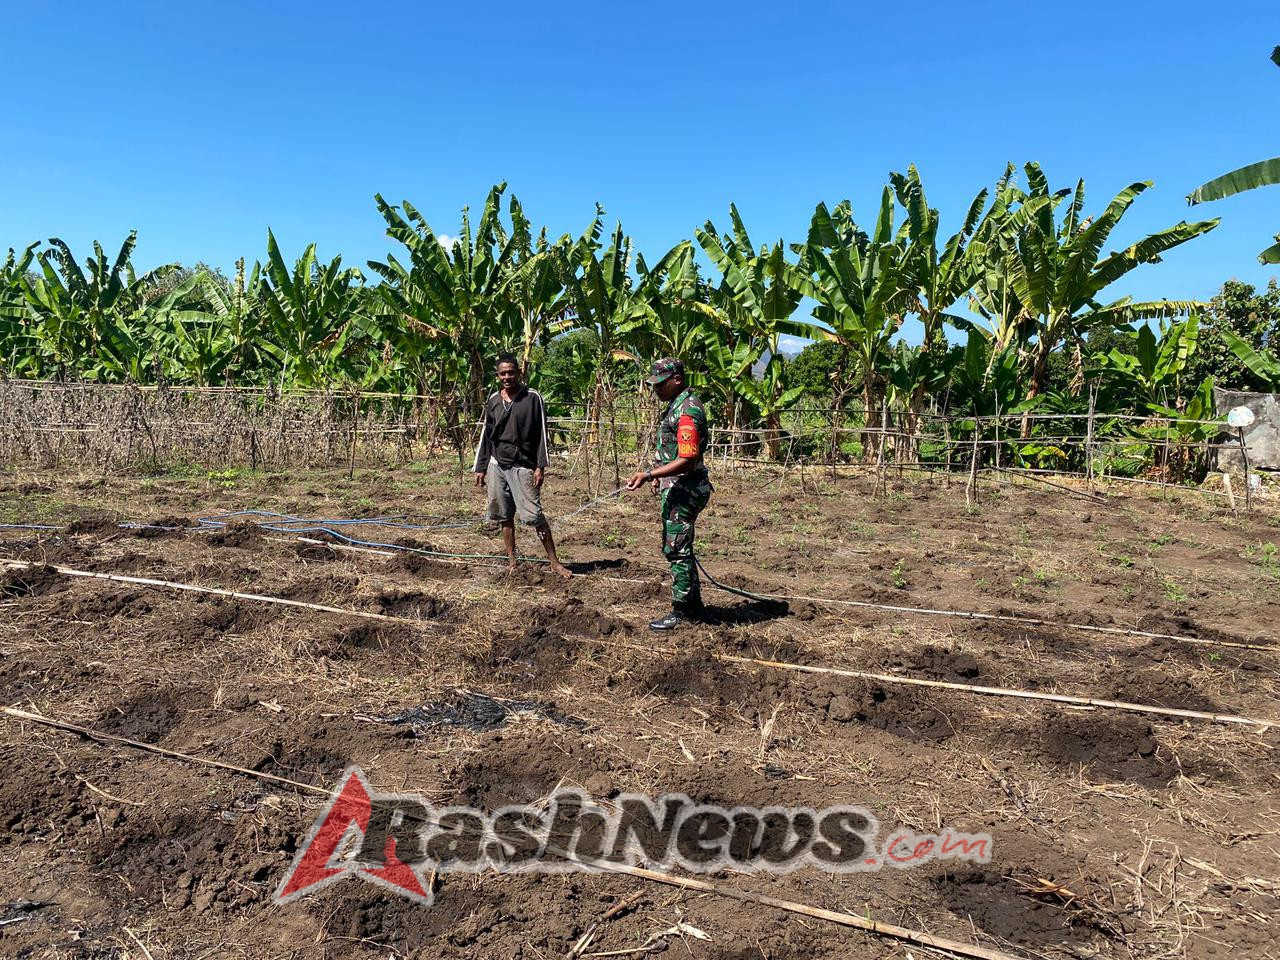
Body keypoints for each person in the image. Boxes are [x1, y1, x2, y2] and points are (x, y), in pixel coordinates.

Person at [625, 357, 713, 630]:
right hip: (678, 485)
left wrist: (650, 474)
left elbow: (687, 459)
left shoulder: (687, 411)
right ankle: (693, 604)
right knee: (680, 547)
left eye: (660, 384)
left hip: (685, 489)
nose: (656, 390)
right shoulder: (678, 406)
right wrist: (660, 475)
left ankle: (682, 611)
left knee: (676, 549)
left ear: (677, 379)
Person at [472, 355, 572, 579]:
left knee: (534, 515)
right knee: (503, 516)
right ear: (497, 376)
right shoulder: (494, 400)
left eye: (511, 372)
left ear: (519, 373)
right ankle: (512, 561)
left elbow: (542, 434)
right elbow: (487, 436)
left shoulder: (532, 398)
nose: (507, 377)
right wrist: (481, 467)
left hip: (523, 465)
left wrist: (540, 466)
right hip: (498, 465)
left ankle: (554, 562)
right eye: (503, 373)